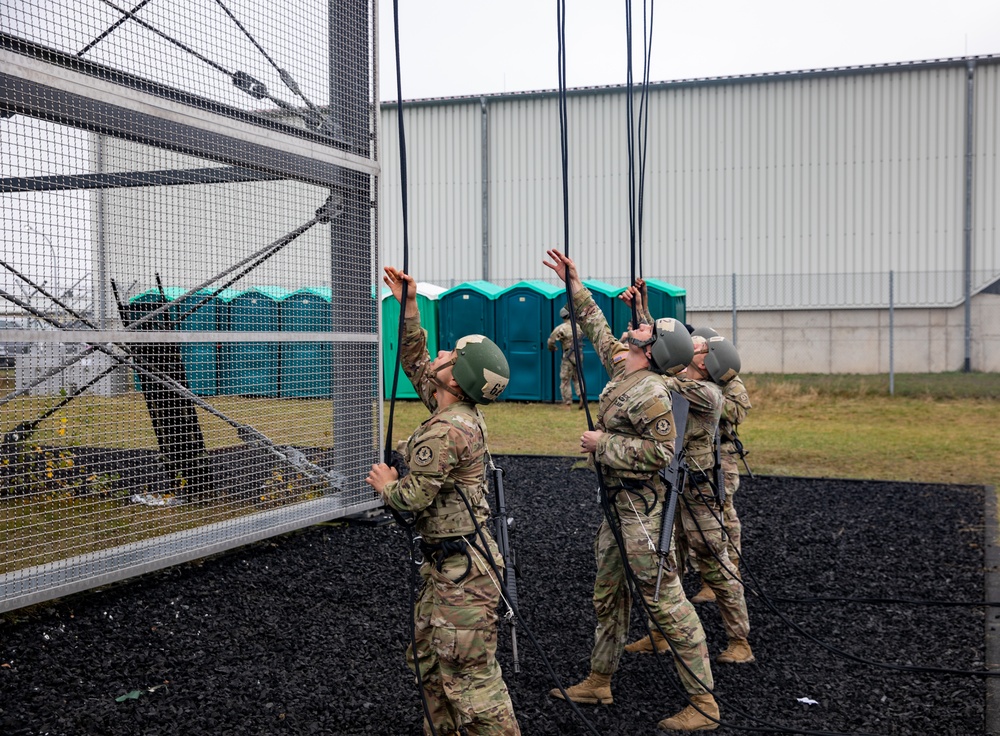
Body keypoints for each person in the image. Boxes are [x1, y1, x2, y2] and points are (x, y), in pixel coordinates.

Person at [541, 249, 720, 733]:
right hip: (617, 510)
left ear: (654, 349)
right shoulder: (627, 370)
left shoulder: (654, 393)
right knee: (609, 592)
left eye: (643, 331)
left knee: (666, 602)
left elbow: (662, 454)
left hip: (641, 514)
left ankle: (704, 704)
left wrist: (605, 444)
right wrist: (573, 284)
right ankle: (599, 680)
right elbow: (599, 327)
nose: (634, 329)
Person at [365, 266, 521, 736]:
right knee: (430, 664)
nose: (443, 354)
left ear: (456, 380)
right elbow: (416, 362)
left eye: (453, 354)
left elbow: (412, 500)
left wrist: (387, 485)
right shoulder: (453, 408)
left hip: (462, 575)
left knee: (470, 682)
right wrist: (408, 305)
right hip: (450, 567)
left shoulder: (448, 428)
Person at [625, 331, 754, 667]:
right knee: (667, 561)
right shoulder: (685, 378)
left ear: (708, 364)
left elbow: (661, 378)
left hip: (700, 491)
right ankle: (659, 634)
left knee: (714, 560)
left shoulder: (705, 391)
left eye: (701, 350)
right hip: (673, 483)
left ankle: (739, 640)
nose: (695, 349)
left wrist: (646, 356)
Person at [687, 328, 751, 607]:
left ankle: (729, 569)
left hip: (721, 454)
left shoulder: (727, 379)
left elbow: (738, 412)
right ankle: (707, 577)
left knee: (723, 512)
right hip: (698, 452)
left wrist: (709, 395)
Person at [547, 306, 585, 409]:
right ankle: (581, 395)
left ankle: (567, 404)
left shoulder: (561, 328)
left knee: (565, 380)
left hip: (567, 356)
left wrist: (552, 348)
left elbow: (551, 341)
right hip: (579, 355)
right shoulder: (579, 327)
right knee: (577, 378)